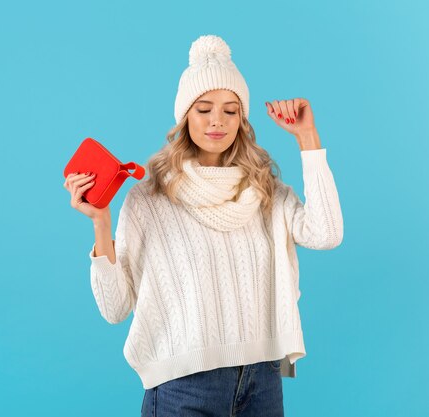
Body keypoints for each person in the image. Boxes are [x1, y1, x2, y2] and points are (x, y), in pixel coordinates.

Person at [63, 34, 343, 417]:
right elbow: (115, 308)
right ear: (185, 116)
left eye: (231, 110)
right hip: (183, 387)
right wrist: (100, 222)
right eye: (204, 108)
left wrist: (308, 139)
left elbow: (326, 233)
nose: (217, 121)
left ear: (242, 120)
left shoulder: (264, 189)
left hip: (262, 380)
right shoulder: (150, 197)